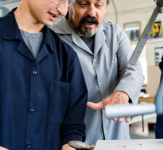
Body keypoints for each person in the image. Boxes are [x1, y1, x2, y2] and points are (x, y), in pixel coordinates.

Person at [50, 0, 144, 145]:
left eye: (98, 5)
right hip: (76, 141)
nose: (92, 12)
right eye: (83, 4)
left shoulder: (115, 33)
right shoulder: (52, 37)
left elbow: (133, 68)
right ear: (69, 5)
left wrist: (122, 93)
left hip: (118, 139)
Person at [0, 0, 88, 149]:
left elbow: (73, 123)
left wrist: (70, 145)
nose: (64, 10)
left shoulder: (67, 56)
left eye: (69, 2)